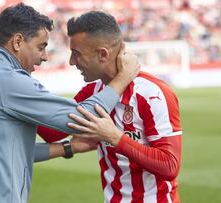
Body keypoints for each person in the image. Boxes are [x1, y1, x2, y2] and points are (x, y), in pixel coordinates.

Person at [0, 3, 140, 203]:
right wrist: (122, 78)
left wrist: (69, 148)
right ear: (18, 42)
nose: (44, 56)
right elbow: (81, 118)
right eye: (41, 47)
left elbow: (7, 151)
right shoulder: (9, 81)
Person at [37, 11, 182, 203]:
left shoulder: (153, 94)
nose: (72, 62)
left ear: (103, 54)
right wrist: (19, 100)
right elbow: (52, 133)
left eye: (77, 54)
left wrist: (114, 137)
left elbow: (170, 165)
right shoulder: (92, 92)